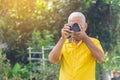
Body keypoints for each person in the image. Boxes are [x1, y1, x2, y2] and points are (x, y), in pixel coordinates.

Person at [48, 12, 105, 80]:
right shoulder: (63, 43)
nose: (75, 28)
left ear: (85, 26)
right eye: (72, 25)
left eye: (78, 25)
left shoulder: (93, 42)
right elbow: (52, 60)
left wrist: (85, 38)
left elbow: (101, 59)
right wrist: (62, 38)